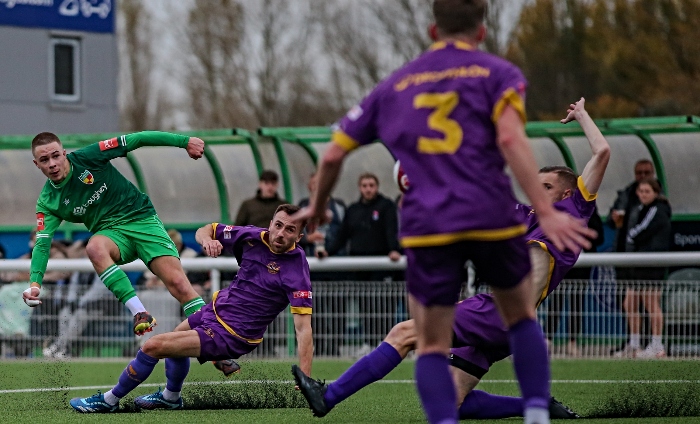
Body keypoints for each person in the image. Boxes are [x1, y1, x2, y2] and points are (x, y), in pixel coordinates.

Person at [293, 0, 595, 421]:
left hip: (428, 224)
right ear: (483, 31)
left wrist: (319, 208)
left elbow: (329, 158)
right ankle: (538, 412)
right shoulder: (499, 74)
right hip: (489, 213)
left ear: (433, 30)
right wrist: (544, 210)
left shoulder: (395, 85)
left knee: (429, 343)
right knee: (522, 317)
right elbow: (511, 141)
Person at [23, 131, 238, 376]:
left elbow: (136, 139)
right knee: (94, 247)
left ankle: (218, 349)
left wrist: (184, 142)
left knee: (180, 285)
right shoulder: (48, 201)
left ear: (64, 153)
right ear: (36, 164)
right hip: (112, 234)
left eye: (55, 156)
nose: (52, 164)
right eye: (44, 160)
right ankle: (139, 312)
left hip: (143, 220)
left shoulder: (90, 157)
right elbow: (42, 244)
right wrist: (35, 283)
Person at [69, 204, 314, 413]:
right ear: (271, 223)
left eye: (290, 229)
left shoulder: (296, 272)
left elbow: (303, 330)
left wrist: (305, 375)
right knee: (175, 339)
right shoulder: (252, 236)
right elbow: (207, 229)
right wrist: (207, 240)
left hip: (234, 333)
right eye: (278, 225)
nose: (280, 233)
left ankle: (108, 401)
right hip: (214, 311)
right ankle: (171, 398)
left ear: (299, 236)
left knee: (153, 346)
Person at [614, 178, 671, 359]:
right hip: (638, 262)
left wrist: (630, 237)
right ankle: (634, 344)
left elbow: (639, 231)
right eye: (641, 191)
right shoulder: (638, 208)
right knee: (629, 303)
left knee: (651, 304)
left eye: (647, 191)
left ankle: (657, 345)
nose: (643, 195)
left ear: (655, 193)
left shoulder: (658, 209)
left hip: (651, 263)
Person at [546, 208, 604, 357]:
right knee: (556, 301)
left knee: (576, 303)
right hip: (561, 262)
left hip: (582, 265)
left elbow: (599, 237)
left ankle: (572, 342)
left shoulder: (590, 211)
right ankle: (547, 340)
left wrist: (581, 232)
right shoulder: (558, 208)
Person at [325, 172, 400, 264]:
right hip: (357, 261)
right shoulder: (353, 210)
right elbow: (342, 235)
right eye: (364, 186)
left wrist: (394, 250)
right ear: (360, 188)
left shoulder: (386, 206)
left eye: (371, 185)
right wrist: (328, 252)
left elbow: (391, 229)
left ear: (377, 187)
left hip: (380, 260)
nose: (368, 189)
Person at [298, 172, 346, 259]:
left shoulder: (339, 206)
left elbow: (345, 233)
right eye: (314, 184)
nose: (318, 187)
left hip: (336, 260)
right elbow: (293, 233)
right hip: (310, 261)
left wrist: (329, 250)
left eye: (321, 183)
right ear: (309, 186)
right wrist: (307, 238)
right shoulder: (302, 207)